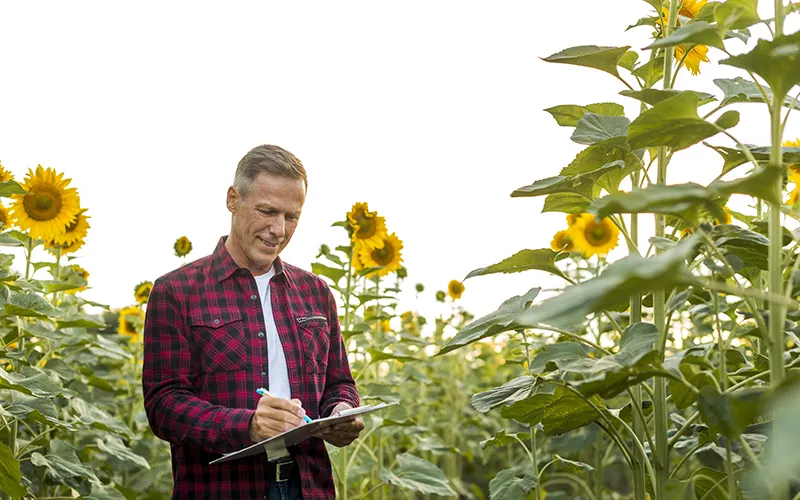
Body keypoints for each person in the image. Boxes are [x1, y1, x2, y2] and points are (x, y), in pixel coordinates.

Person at [142, 145, 364, 500]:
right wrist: (245, 426)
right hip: (224, 491)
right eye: (267, 211)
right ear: (233, 199)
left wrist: (341, 411)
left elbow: (339, 383)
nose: (278, 229)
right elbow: (164, 406)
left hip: (308, 486)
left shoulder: (316, 293)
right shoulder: (177, 291)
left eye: (292, 216)